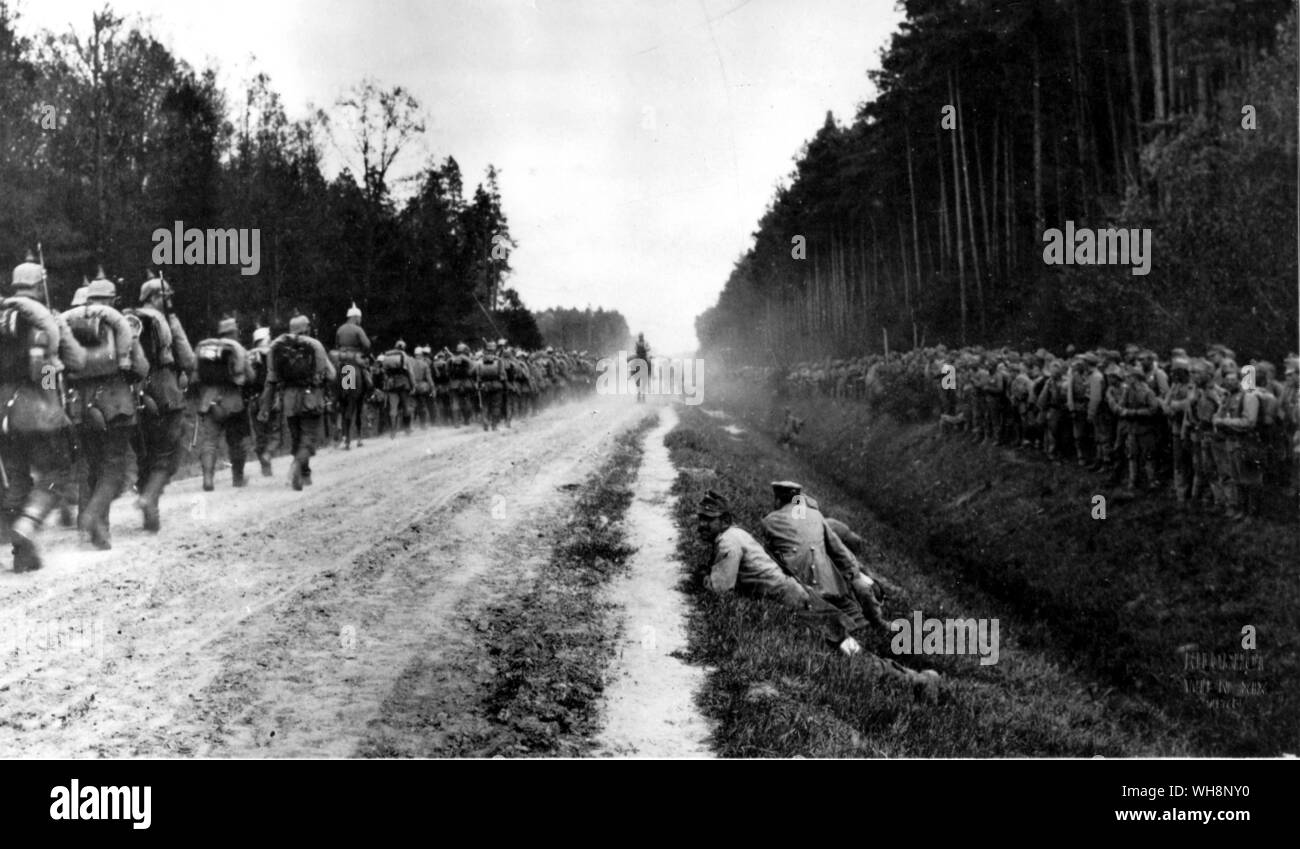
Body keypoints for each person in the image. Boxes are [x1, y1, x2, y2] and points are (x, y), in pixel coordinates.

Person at [696, 490, 938, 701]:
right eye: (700, 518)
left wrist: (703, 577)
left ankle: (918, 681)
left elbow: (720, 588)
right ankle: (914, 679)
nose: (701, 524)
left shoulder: (728, 541)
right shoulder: (735, 534)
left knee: (851, 655)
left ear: (725, 520)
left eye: (708, 519)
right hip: (803, 600)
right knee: (850, 651)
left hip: (800, 606)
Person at [1, 255, 87, 571]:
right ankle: (27, 525)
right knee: (57, 474)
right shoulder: (43, 318)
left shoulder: (1, 317)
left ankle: (21, 553)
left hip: (2, 413)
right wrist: (50, 387)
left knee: (17, 477)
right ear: (39, 286)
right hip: (35, 409)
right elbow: (69, 363)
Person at [62, 273, 146, 548]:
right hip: (115, 404)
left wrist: (57, 392)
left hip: (79, 405)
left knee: (90, 466)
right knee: (113, 469)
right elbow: (141, 368)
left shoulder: (67, 323)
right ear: (111, 299)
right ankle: (95, 521)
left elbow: (50, 370)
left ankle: (90, 530)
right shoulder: (119, 325)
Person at [759, 481, 890, 631]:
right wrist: (855, 576)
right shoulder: (816, 515)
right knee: (861, 624)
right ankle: (875, 627)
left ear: (777, 499)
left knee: (836, 626)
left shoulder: (769, 521)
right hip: (832, 588)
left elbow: (772, 559)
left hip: (804, 591)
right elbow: (841, 553)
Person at [128, 273, 194, 532]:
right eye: (164, 296)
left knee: (142, 452)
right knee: (168, 450)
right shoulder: (167, 320)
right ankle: (149, 498)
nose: (168, 300)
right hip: (163, 388)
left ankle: (145, 507)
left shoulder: (125, 319)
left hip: (130, 391)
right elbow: (188, 359)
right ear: (154, 298)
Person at [260, 314, 335, 490]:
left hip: (288, 398)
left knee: (296, 437)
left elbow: (270, 380)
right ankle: (297, 466)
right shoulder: (315, 344)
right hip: (310, 397)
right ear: (307, 329)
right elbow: (331, 375)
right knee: (308, 437)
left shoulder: (277, 345)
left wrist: (265, 406)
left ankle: (305, 473)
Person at [193, 317, 255, 491]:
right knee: (236, 442)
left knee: (209, 442)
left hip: (209, 401)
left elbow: (195, 376)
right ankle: (237, 479)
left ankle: (207, 478)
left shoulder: (205, 348)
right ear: (234, 332)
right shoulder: (237, 348)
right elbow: (250, 376)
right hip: (232, 401)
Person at [247, 326, 276, 476]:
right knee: (276, 433)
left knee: (260, 435)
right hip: (270, 398)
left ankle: (266, 468)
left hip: (253, 399)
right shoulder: (272, 353)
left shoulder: (248, 355)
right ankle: (268, 455)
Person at [379, 340, 415, 437]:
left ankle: (392, 431)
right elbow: (410, 372)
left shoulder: (387, 357)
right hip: (403, 383)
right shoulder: (404, 356)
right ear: (403, 347)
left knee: (393, 407)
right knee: (405, 406)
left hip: (391, 384)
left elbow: (384, 371)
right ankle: (407, 429)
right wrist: (413, 385)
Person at [474, 339, 508, 431]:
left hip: (484, 386)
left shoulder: (480, 362)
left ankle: (485, 423)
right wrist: (505, 386)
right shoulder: (499, 361)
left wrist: (479, 385)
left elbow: (478, 376)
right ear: (494, 349)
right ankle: (494, 425)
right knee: (496, 405)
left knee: (485, 405)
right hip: (497, 386)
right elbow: (503, 376)